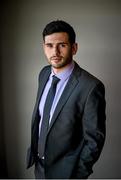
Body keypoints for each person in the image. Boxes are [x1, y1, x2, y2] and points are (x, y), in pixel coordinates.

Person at [26, 20, 106, 179]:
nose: (54, 51)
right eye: (49, 45)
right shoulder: (43, 74)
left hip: (67, 173)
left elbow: (94, 140)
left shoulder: (91, 87)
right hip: (39, 168)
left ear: (74, 48)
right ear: (44, 47)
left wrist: (77, 175)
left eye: (62, 45)